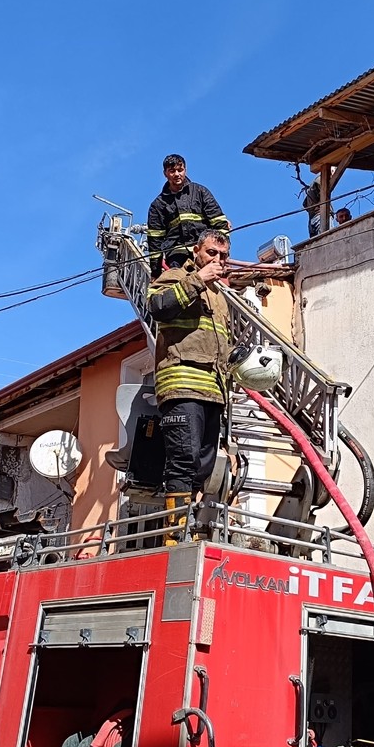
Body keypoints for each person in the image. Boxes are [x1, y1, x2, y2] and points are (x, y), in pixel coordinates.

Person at [147, 229, 231, 542]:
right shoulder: (174, 278)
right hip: (181, 383)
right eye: (212, 253)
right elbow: (158, 308)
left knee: (204, 467)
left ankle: (187, 527)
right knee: (183, 458)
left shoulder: (221, 298)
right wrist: (198, 280)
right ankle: (174, 534)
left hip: (213, 389)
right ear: (196, 251)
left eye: (223, 256)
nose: (218, 260)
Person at [147, 154, 229, 279]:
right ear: (165, 173)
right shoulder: (158, 205)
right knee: (178, 281)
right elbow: (155, 241)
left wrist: (223, 253)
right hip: (176, 255)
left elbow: (219, 222)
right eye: (172, 171)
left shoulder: (200, 192)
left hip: (204, 250)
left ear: (185, 170)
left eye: (180, 170)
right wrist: (156, 271)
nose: (177, 174)